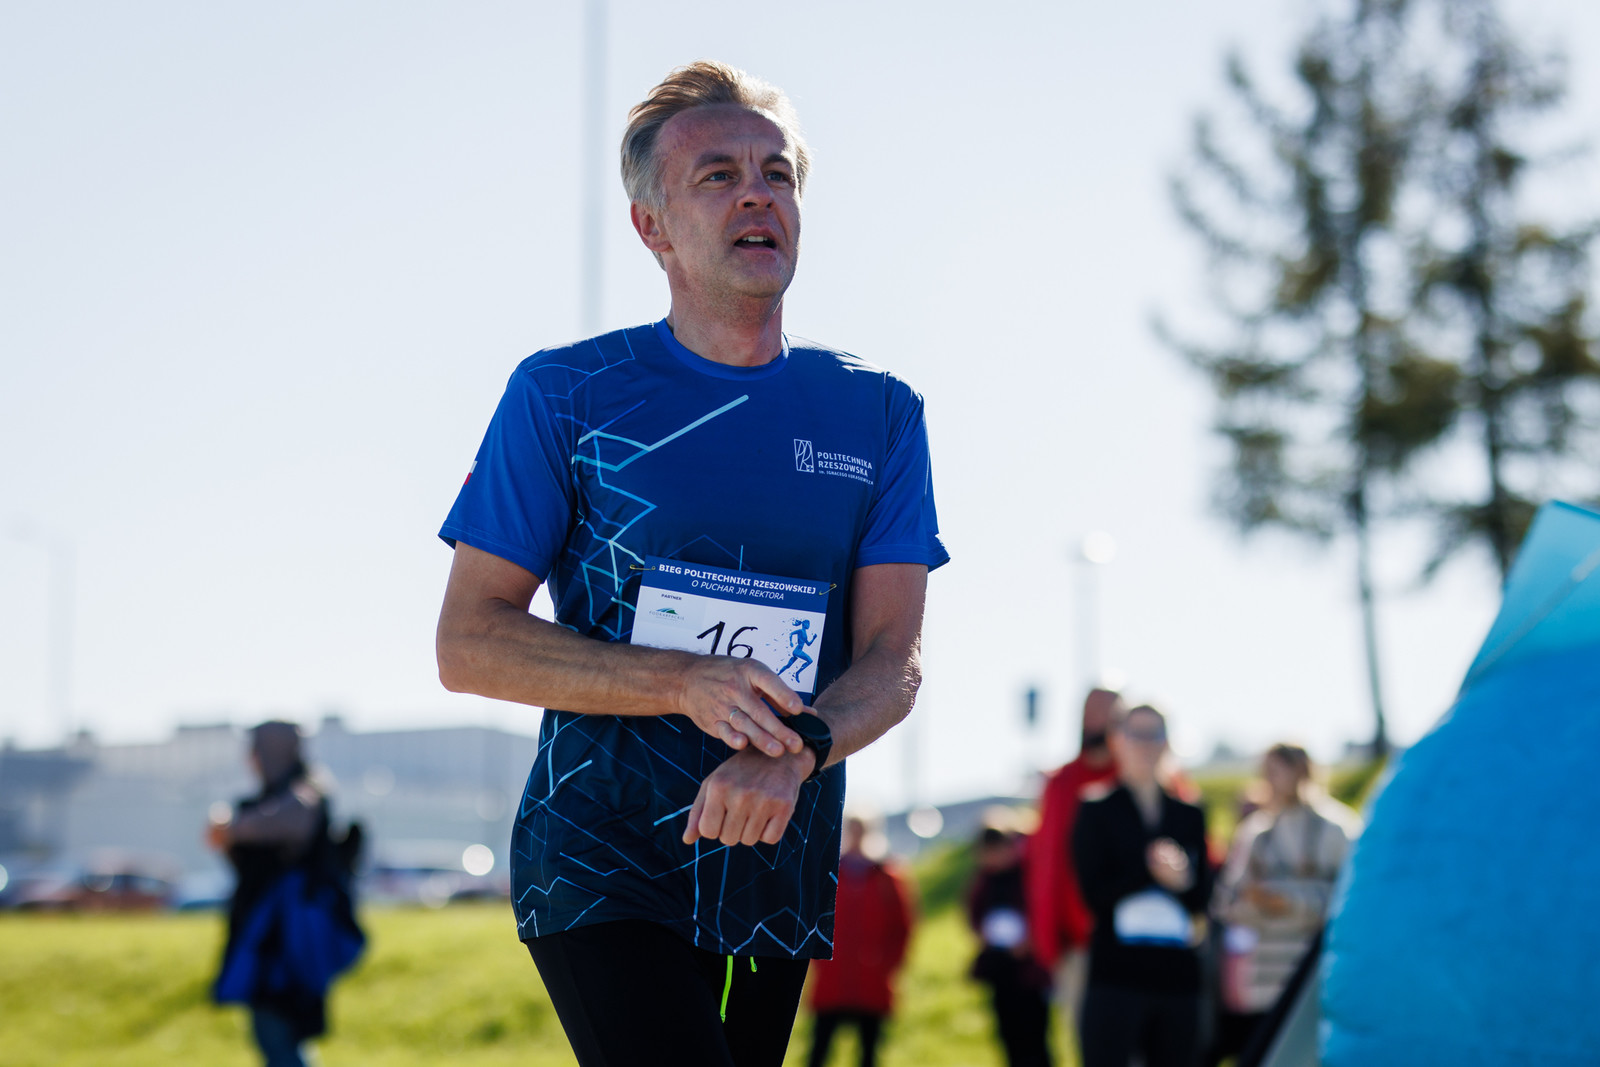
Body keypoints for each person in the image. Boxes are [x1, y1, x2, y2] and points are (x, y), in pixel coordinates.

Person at [434, 60, 948, 1067]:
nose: (757, 194)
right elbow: (469, 641)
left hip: (774, 852)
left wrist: (794, 748)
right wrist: (682, 679)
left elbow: (894, 660)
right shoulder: (565, 394)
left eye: (776, 174)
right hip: (601, 851)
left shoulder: (879, 412)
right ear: (651, 226)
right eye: (718, 175)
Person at [207, 721, 363, 1067]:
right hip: (275, 943)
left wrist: (231, 827)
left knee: (277, 1036)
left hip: (288, 946)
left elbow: (287, 820)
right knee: (280, 1039)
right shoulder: (278, 795)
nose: (250, 760)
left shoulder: (305, 795)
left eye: (256, 751)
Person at [1073, 704, 1213, 1067]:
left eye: (1155, 734)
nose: (1146, 744)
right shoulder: (1096, 808)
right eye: (1137, 734)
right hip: (1116, 973)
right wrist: (1150, 871)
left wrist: (1183, 881)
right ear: (1117, 741)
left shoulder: (1189, 813)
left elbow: (1203, 899)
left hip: (1176, 974)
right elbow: (1093, 895)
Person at [1206, 744, 1360, 1065]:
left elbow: (1352, 902)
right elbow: (1227, 902)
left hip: (1316, 975)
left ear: (1300, 772)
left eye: (1277, 771)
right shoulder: (1255, 833)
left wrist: (1291, 902)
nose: (1269, 779)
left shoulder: (1337, 829)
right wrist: (1261, 903)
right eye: (1266, 772)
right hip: (1264, 976)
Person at [1026, 687, 1125, 1043]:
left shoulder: (1141, 778)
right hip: (1078, 946)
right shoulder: (1062, 782)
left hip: (1134, 942)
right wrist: (1046, 939)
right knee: (1090, 1043)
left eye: (1108, 712)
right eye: (1091, 711)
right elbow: (1045, 864)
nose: (1097, 721)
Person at [805, 815, 915, 1067]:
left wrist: (888, 965)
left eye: (862, 831)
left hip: (872, 981)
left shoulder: (888, 875)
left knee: (869, 1053)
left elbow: (903, 927)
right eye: (852, 830)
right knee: (818, 1050)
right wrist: (819, 962)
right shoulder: (830, 872)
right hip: (832, 980)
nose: (857, 837)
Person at [969, 824, 1054, 1067]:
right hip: (999, 970)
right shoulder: (984, 881)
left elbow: (1043, 910)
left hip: (1030, 971)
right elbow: (974, 916)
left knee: (1036, 1039)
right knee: (1009, 1038)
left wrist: (1032, 941)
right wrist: (983, 934)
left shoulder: (1028, 874)